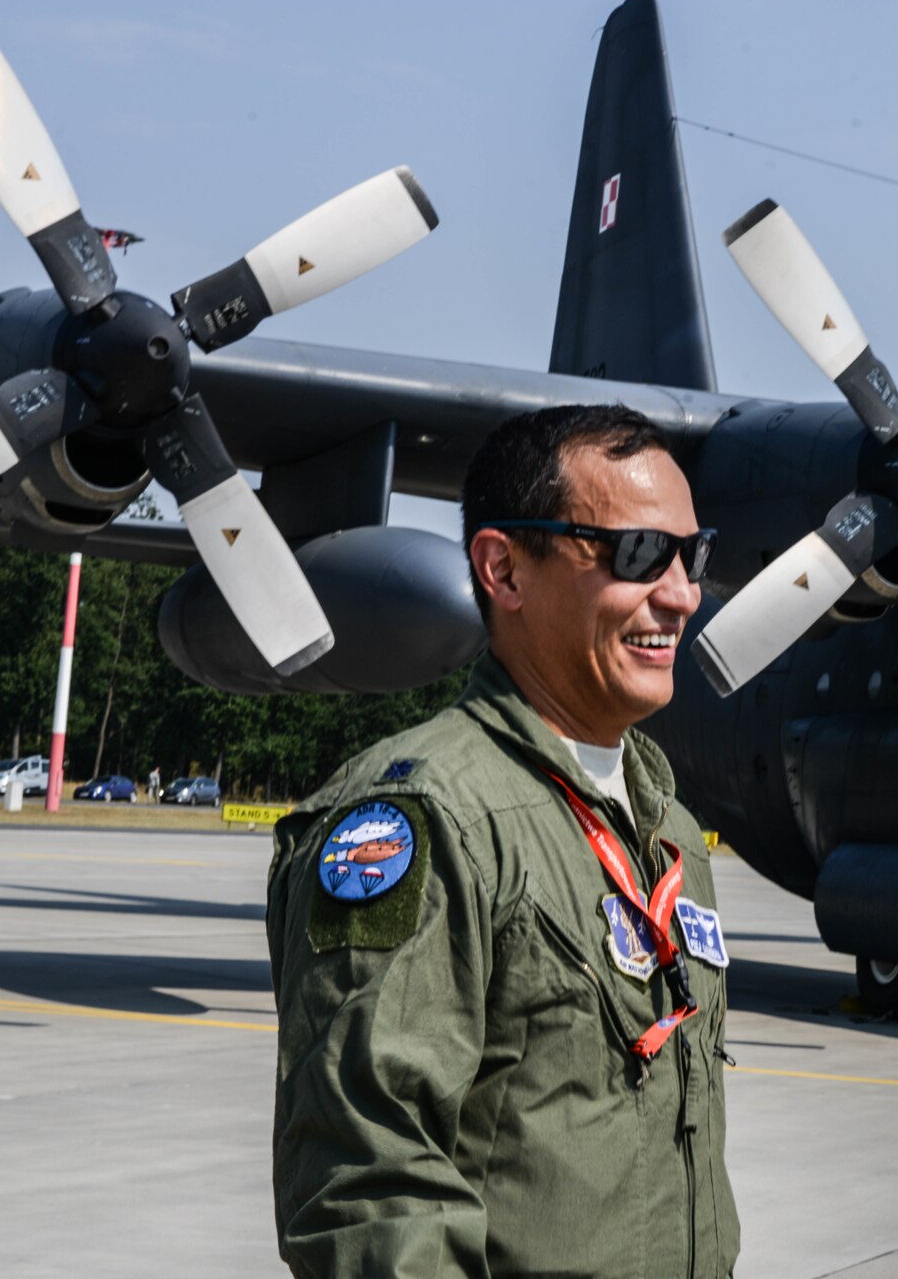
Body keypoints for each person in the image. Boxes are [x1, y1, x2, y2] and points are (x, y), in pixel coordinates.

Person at [267, 404, 738, 1277]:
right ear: (504, 569)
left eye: (691, 554)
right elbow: (369, 1182)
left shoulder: (665, 828)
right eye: (638, 554)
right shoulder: (424, 819)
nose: (680, 594)